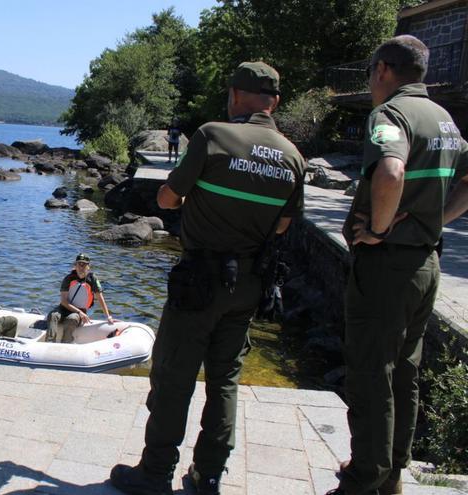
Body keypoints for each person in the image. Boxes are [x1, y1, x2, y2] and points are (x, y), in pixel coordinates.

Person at [109, 61, 306, 495]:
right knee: (225, 381)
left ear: (236, 95)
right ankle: (207, 476)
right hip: (250, 284)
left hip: (199, 280)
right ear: (273, 102)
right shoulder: (293, 156)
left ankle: (155, 473)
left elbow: (167, 197)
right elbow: (283, 226)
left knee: (174, 375)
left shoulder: (213, 135)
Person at [327, 35, 468, 495]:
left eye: (370, 73)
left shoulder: (391, 115)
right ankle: (391, 476)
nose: (370, 83)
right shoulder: (444, 119)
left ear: (384, 69)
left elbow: (390, 171)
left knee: (371, 372)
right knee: (404, 372)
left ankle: (364, 480)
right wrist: (434, 218)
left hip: (387, 266)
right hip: (426, 264)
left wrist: (383, 229)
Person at [46, 253, 114, 343]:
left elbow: (100, 298)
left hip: (81, 310)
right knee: (53, 315)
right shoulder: (68, 278)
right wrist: (79, 312)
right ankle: (50, 342)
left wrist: (108, 316)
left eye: (84, 265)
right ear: (75, 265)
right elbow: (63, 302)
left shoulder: (92, 279)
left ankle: (66, 342)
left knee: (71, 319)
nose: (81, 267)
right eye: (79, 264)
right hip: (65, 307)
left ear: (88, 267)